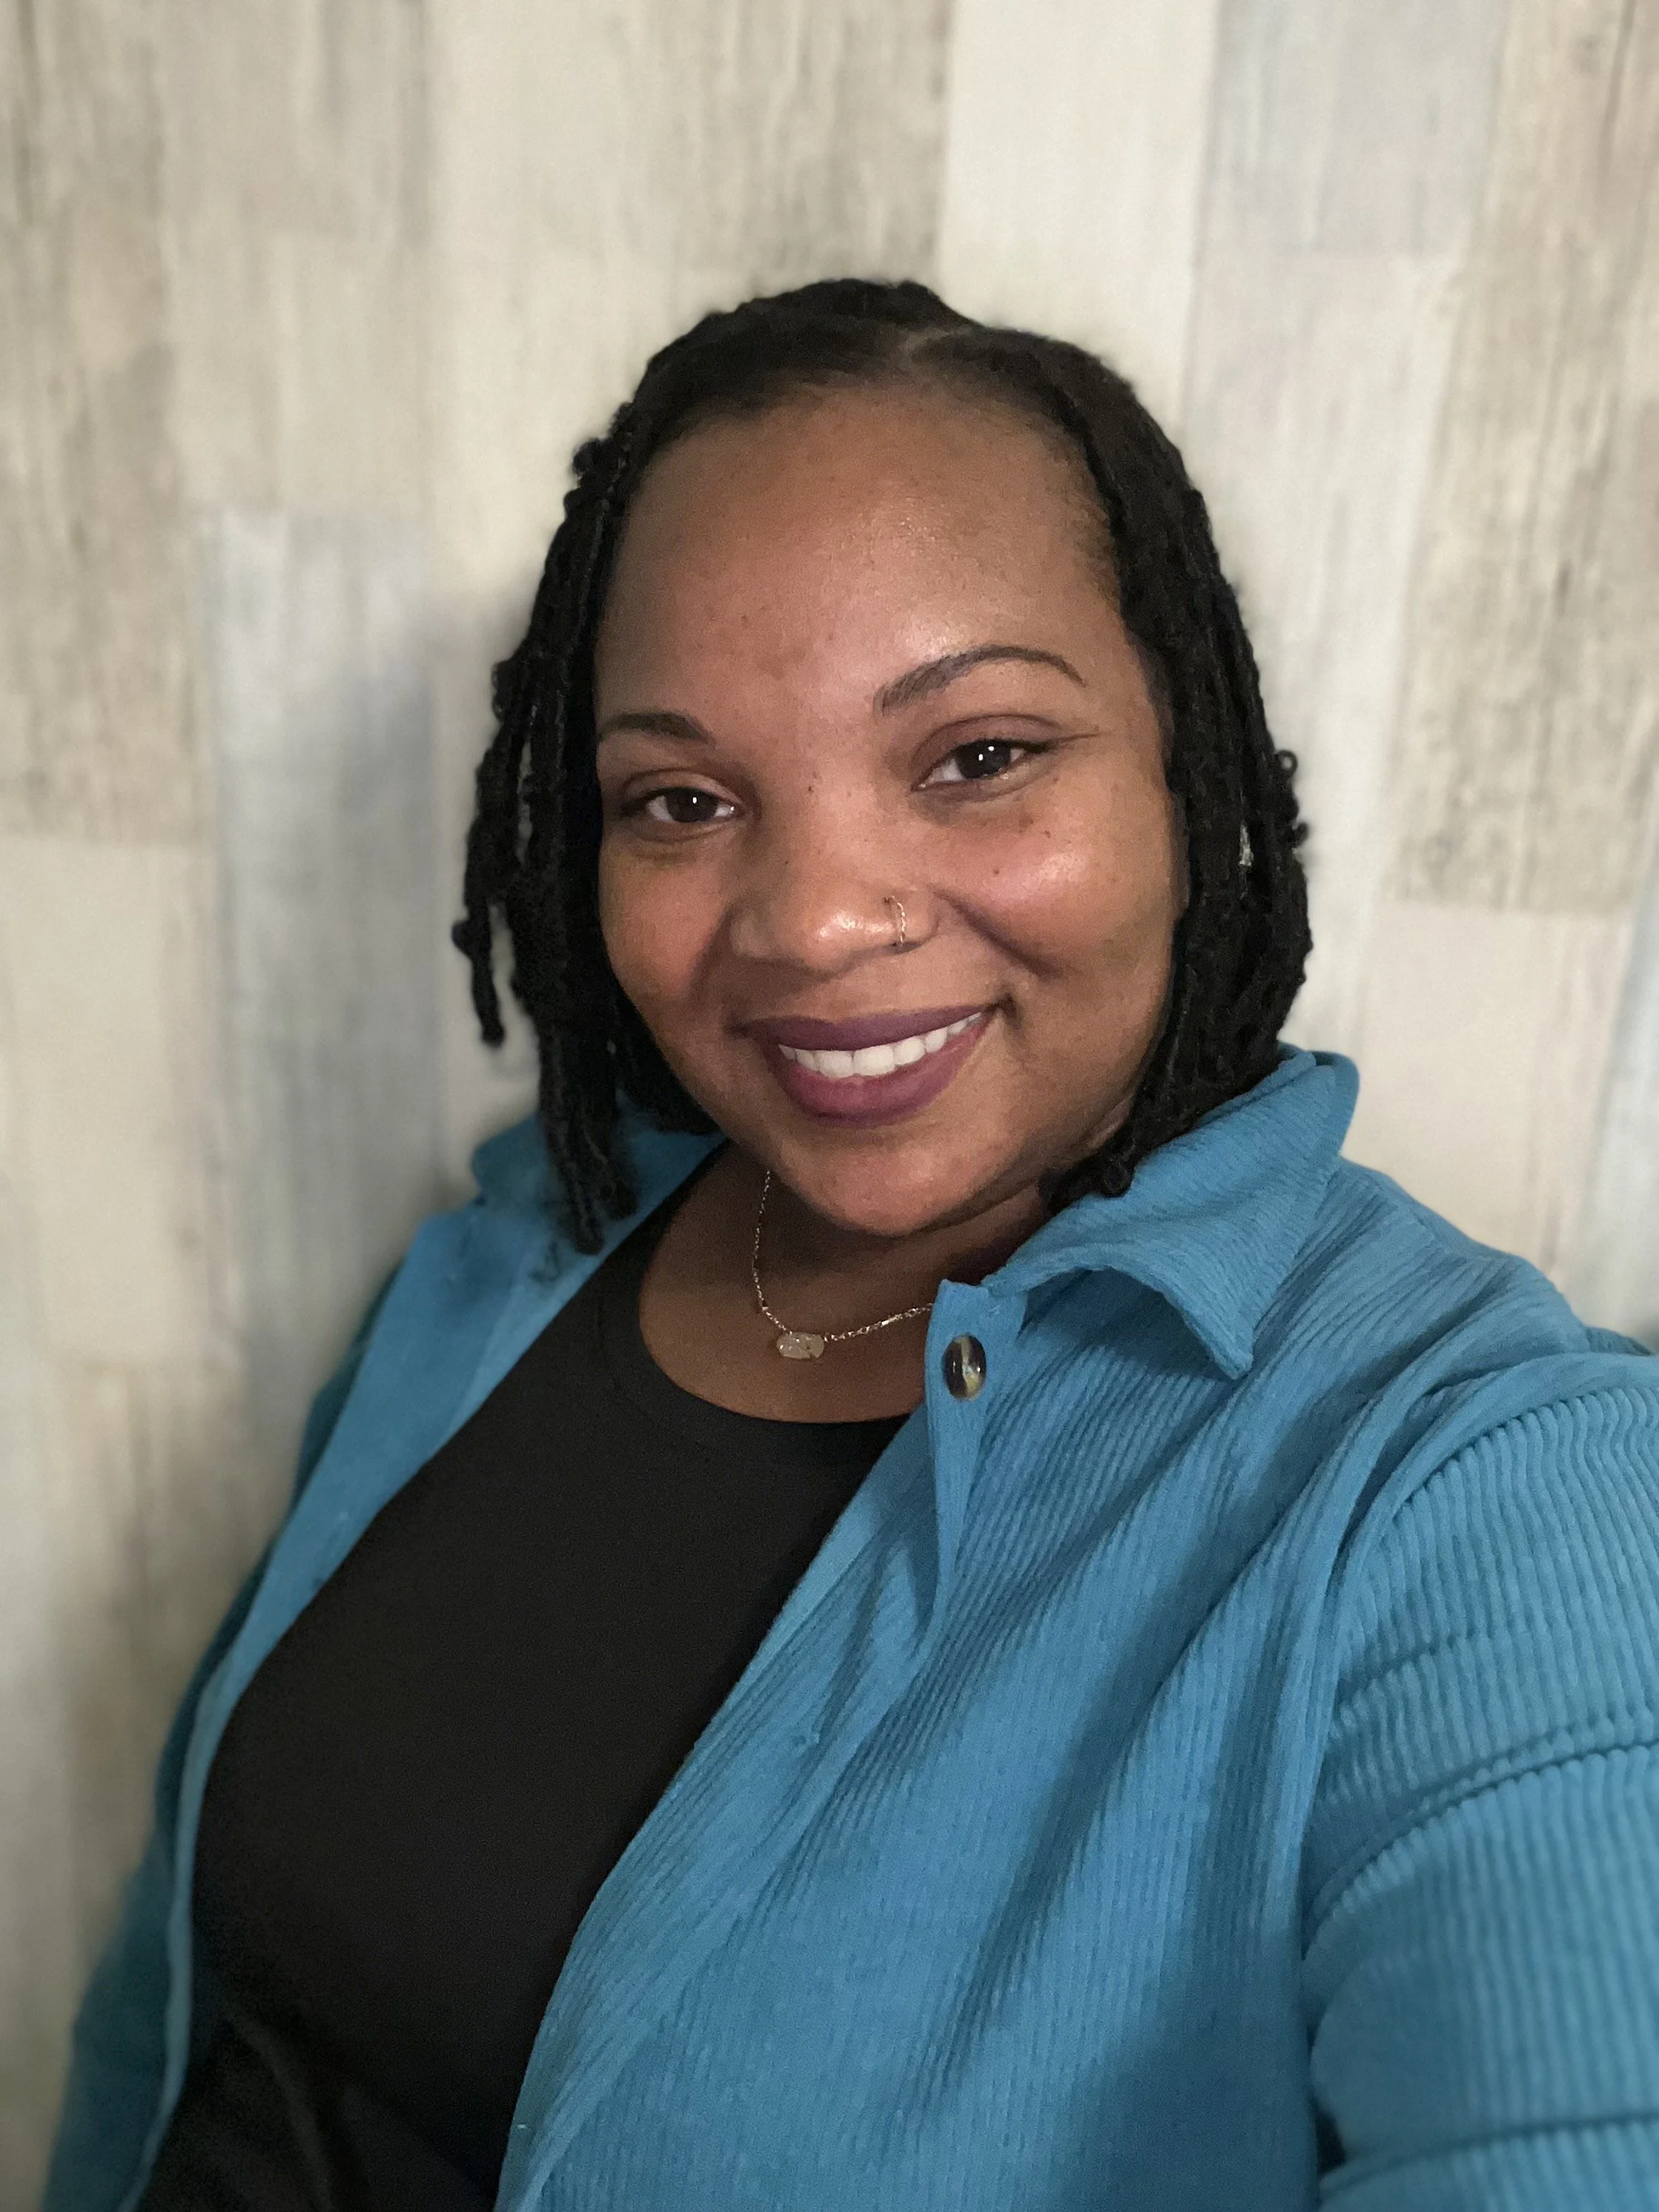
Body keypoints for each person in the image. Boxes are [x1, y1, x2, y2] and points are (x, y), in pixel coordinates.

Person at [47, 279, 1659, 2212]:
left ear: (1185, 770)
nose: (809, 919)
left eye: (976, 754)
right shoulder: (496, 1275)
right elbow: (181, 1996)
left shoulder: (1481, 1487)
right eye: (684, 798)